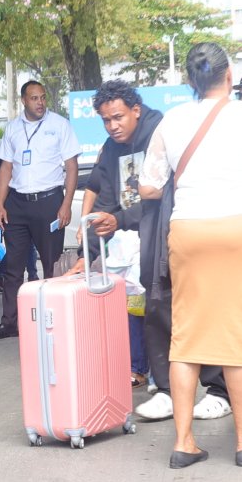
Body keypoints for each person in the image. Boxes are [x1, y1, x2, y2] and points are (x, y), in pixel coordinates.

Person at [139, 42, 242, 469]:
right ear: (229, 76)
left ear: (191, 81)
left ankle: (184, 442)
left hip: (190, 231)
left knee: (186, 338)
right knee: (240, 337)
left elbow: (149, 187)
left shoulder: (172, 122)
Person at [70, 80, 163, 388]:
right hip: (131, 239)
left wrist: (119, 218)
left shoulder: (158, 134)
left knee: (162, 307)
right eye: (106, 120)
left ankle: (173, 381)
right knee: (132, 301)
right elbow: (106, 203)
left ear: (135, 110)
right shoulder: (111, 149)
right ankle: (143, 370)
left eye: (118, 117)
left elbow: (164, 195)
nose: (112, 126)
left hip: (164, 234)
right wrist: (88, 258)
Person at [0, 81, 80, 340]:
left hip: (49, 202)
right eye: (34, 98)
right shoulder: (13, 128)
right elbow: (6, 168)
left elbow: (71, 166)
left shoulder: (59, 125)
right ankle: (10, 323)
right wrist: (0, 205)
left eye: (43, 97)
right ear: (23, 101)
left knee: (52, 266)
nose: (40, 102)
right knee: (13, 267)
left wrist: (66, 204)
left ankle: (54, 322)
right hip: (17, 203)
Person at [0, 157, 38, 291]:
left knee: (24, 242)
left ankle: (30, 276)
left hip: (0, 205)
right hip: (6, 206)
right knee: (24, 242)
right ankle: (32, 277)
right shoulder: (8, 164)